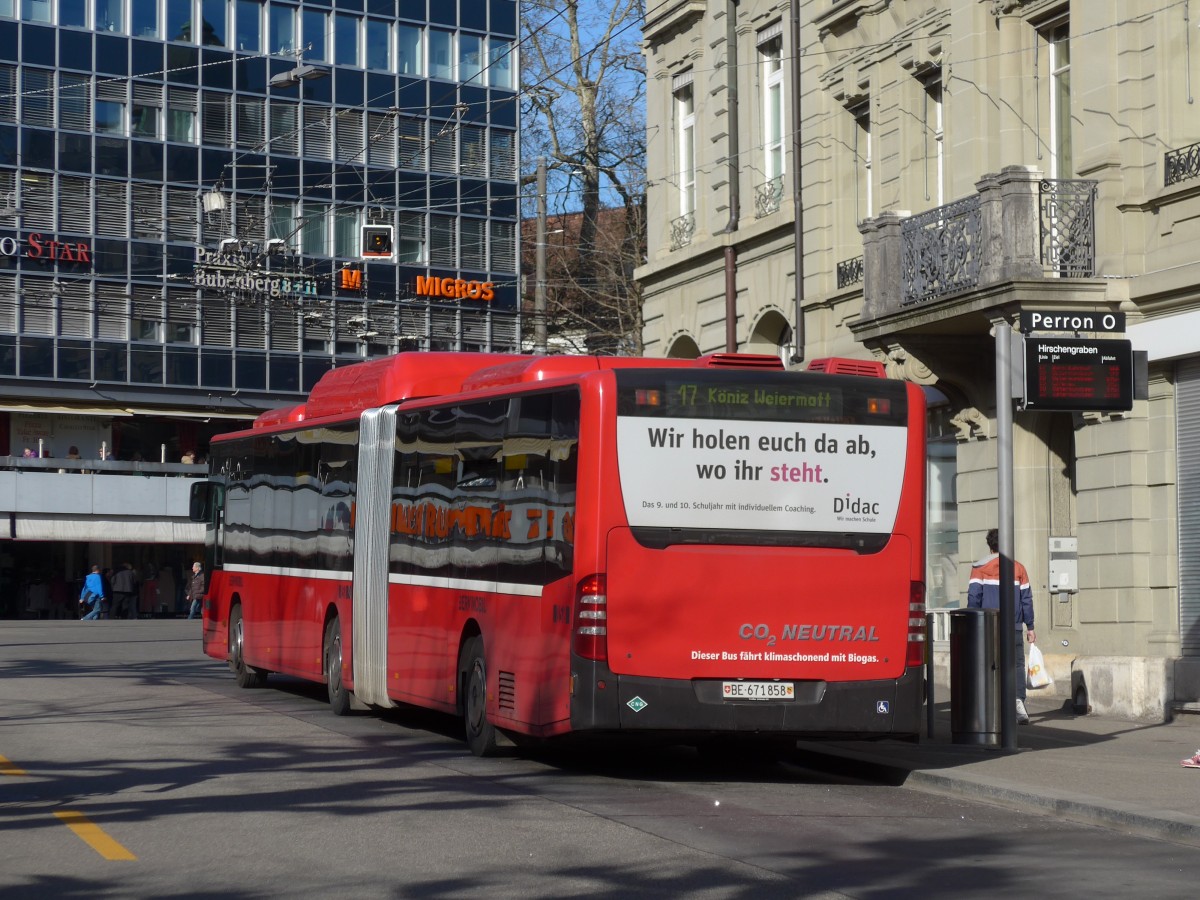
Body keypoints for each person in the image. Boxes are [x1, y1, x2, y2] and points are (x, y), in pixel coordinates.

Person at [968, 528, 1037, 724]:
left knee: (987, 665)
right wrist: (1030, 626)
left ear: (990, 546)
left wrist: (973, 623)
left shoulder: (979, 568)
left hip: (987, 626)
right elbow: (1026, 600)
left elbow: (974, 597)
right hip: (1013, 626)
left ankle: (989, 708)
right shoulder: (1018, 568)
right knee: (1016, 665)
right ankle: (1018, 705)